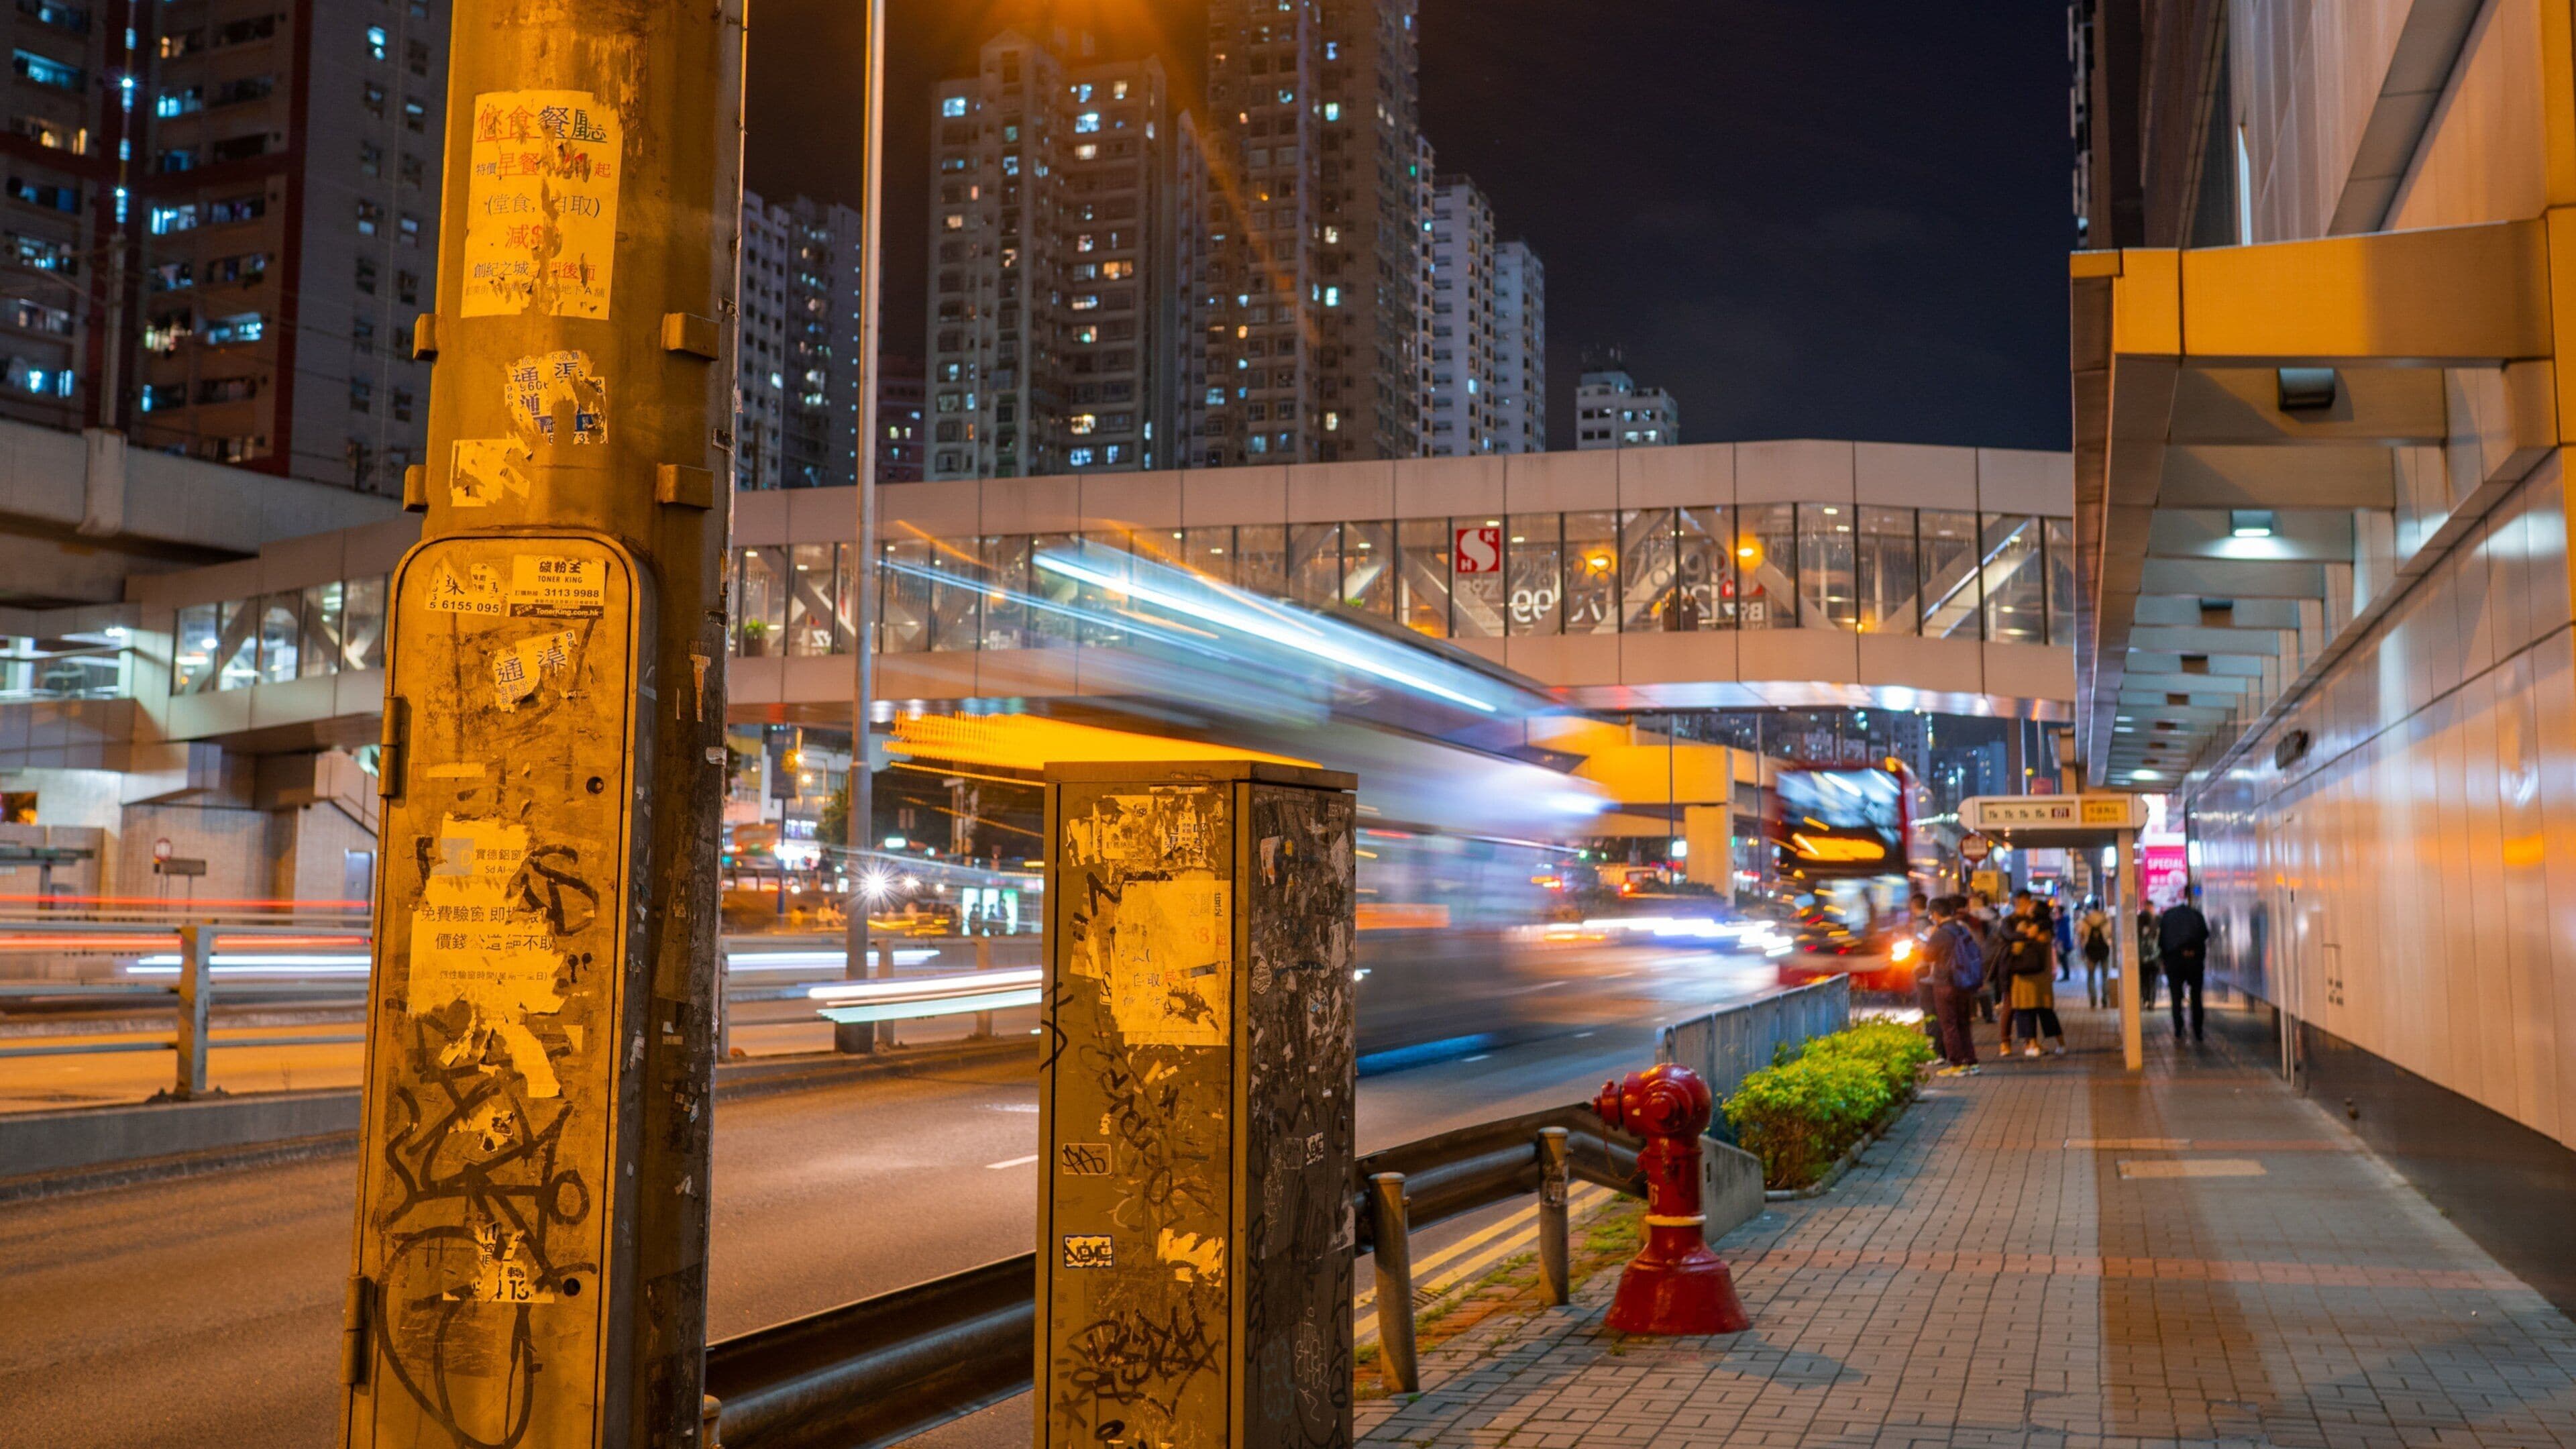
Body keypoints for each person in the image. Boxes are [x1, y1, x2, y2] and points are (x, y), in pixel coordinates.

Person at [1921, 895, 1982, 1075]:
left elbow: (1928, 956)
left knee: (1949, 1024)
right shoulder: (1962, 930)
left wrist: (1924, 944)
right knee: (1963, 1023)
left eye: (1931, 914)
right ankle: (1972, 1062)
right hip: (1964, 982)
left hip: (1945, 983)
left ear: (1936, 914)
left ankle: (1957, 1064)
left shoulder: (1940, 933)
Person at [2004, 914, 2065, 1056]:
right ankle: (2062, 1044)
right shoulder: (2046, 934)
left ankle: (2032, 1046)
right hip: (2042, 982)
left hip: (2024, 981)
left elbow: (2016, 950)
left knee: (2026, 1013)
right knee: (2047, 1014)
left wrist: (2020, 936)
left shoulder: (2024, 929)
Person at [2158, 891, 2212, 1042]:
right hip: (2194, 960)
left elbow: (2162, 941)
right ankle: (2198, 1030)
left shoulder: (2168, 917)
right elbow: (2205, 936)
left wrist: (2166, 958)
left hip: (2174, 960)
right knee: (2196, 996)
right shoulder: (2196, 915)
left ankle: (2178, 1028)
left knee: (2176, 996)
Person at [2078, 898, 2112, 1008]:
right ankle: (2105, 1000)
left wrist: (2082, 950)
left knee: (2091, 976)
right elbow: (2110, 934)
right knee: (2105, 976)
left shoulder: (2086, 920)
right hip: (2104, 950)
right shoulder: (2106, 919)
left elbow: (2081, 935)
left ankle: (2093, 1000)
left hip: (2090, 951)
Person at [2135, 904, 2162, 1010]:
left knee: (2144, 980)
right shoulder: (2155, 928)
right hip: (2154, 959)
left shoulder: (2138, 930)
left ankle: (2146, 999)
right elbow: (2159, 944)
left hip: (2141, 960)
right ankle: (2152, 1001)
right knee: (2153, 981)